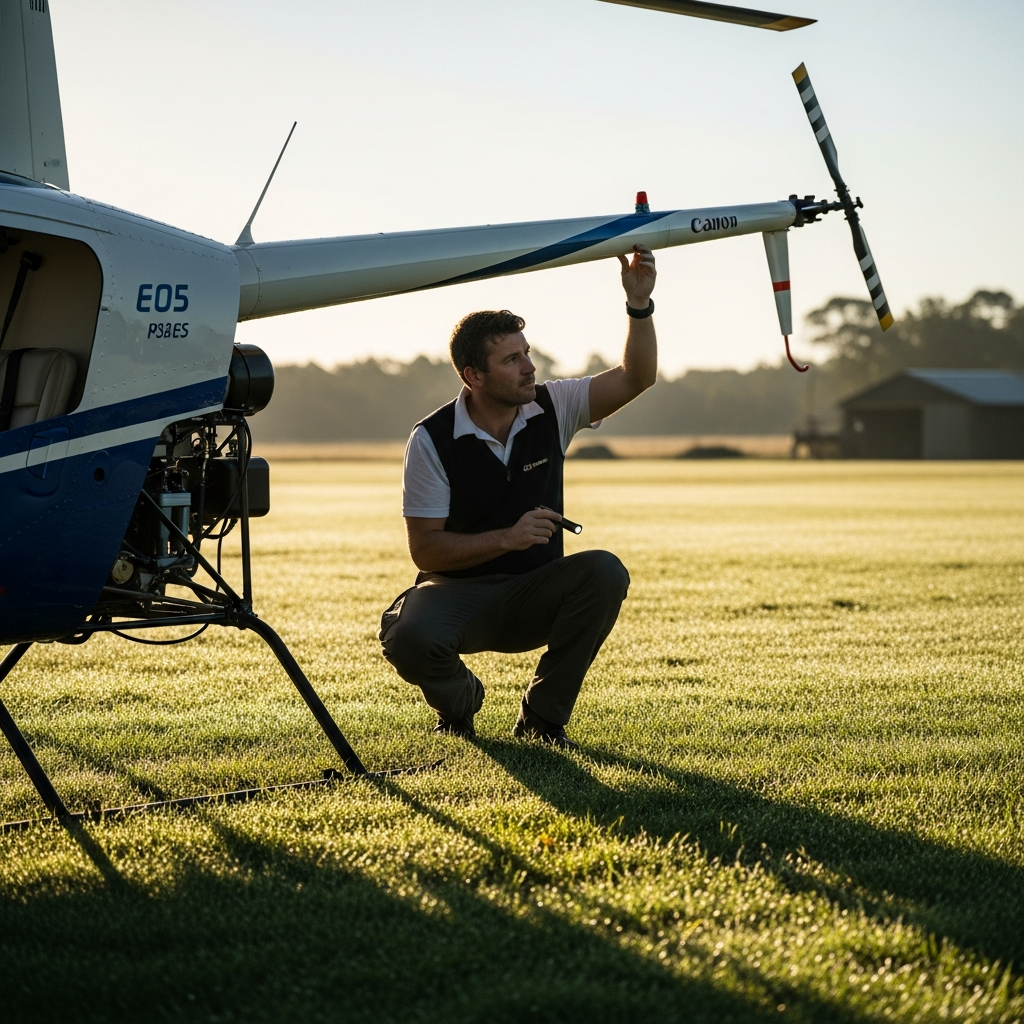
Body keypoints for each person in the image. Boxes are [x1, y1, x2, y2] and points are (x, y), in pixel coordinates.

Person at [379, 243, 658, 748]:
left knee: (604, 570)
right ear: (473, 376)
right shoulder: (431, 438)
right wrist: (508, 537)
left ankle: (542, 722)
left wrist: (638, 305)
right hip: (456, 596)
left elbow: (637, 378)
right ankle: (460, 706)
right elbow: (425, 549)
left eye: (527, 353)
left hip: (535, 593)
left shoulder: (555, 405)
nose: (529, 367)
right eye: (512, 359)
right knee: (408, 634)